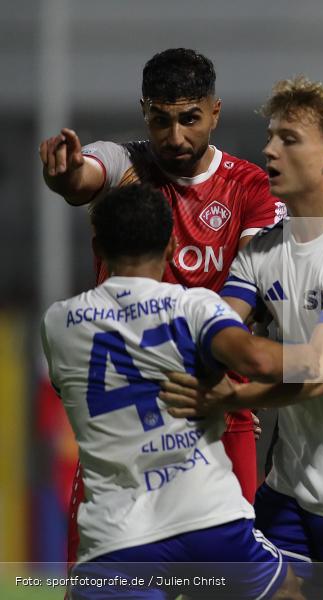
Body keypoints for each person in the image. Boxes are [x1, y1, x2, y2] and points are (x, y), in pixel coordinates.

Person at [163, 76, 323, 599]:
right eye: (270, 136)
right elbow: (220, 328)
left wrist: (233, 396)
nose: (268, 149)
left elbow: (319, 371)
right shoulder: (262, 249)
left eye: (288, 139)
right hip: (289, 489)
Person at [38, 48, 280, 567]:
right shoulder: (129, 164)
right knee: (103, 573)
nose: (175, 137)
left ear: (215, 110)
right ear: (144, 112)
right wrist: (64, 175)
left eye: (190, 119)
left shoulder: (251, 187)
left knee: (223, 581)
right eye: (160, 120)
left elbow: (250, 288)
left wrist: (215, 377)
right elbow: (84, 175)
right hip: (128, 408)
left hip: (217, 403)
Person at [40, 184, 309, 600]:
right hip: (208, 517)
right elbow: (261, 363)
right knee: (286, 590)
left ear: (98, 246)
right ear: (170, 247)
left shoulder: (58, 323)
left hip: (118, 535)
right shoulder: (196, 307)